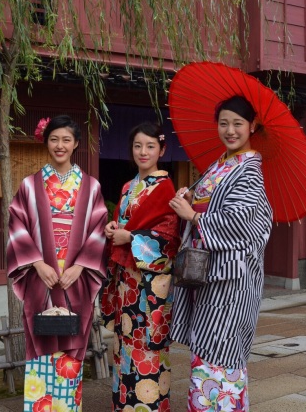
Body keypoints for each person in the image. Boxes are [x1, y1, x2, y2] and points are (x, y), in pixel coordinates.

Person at [169, 96, 273, 411]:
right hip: (210, 273)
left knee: (222, 348)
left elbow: (239, 221)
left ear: (252, 126)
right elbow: (207, 201)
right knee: (206, 347)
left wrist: (194, 215)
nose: (230, 130)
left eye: (237, 124)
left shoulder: (250, 170)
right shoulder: (222, 164)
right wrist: (190, 195)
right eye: (224, 123)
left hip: (231, 279)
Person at [6, 115, 108, 412]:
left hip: (76, 276)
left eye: (66, 139)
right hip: (42, 277)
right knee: (40, 342)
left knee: (71, 347)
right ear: (46, 142)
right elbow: (17, 225)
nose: (60, 145)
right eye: (54, 139)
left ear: (76, 143)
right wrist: (36, 263)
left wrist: (80, 266)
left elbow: (99, 228)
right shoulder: (29, 185)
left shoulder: (90, 187)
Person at [101, 122, 180, 411]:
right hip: (126, 282)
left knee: (147, 346)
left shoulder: (165, 187)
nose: (143, 152)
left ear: (162, 149)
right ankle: (124, 404)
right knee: (123, 344)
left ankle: (149, 405)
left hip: (150, 284)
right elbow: (125, 224)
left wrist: (131, 237)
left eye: (150, 146)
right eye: (138, 146)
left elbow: (168, 237)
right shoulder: (128, 186)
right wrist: (115, 228)